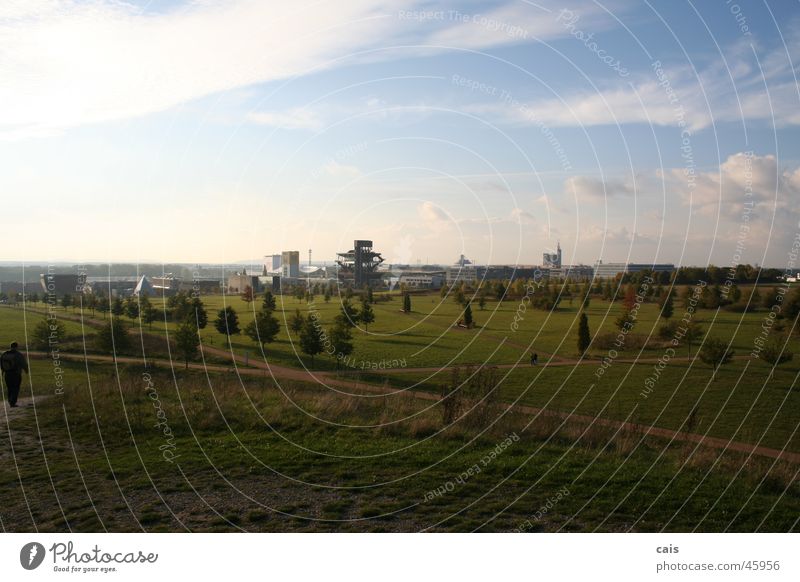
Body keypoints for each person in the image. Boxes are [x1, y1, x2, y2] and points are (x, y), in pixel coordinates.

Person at [1, 342, 28, 407]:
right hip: (16, 374)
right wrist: (26, 370)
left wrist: (3, 371)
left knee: (9, 388)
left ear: (11, 346)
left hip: (7, 374)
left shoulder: (4, 354)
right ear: (16, 347)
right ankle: (12, 402)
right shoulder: (18, 354)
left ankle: (10, 401)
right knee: (15, 388)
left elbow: (1, 363)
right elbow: (23, 363)